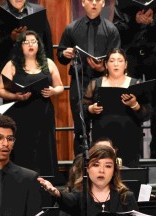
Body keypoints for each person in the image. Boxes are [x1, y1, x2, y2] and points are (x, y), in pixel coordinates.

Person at [58, 0, 121, 154]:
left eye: (97, 0)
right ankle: (80, 169)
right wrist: (65, 54)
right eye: (90, 0)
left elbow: (117, 58)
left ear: (103, 3)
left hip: (104, 83)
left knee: (105, 126)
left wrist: (103, 67)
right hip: (80, 82)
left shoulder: (111, 29)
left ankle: (104, 166)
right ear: (83, 3)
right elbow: (60, 55)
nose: (93, 3)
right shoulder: (72, 28)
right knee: (80, 130)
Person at [0, 30, 63, 176]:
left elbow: (60, 86)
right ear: (20, 46)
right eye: (26, 42)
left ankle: (48, 178)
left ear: (39, 45)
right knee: (23, 147)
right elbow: (0, 90)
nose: (30, 45)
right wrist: (15, 96)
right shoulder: (12, 64)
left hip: (43, 111)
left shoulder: (48, 62)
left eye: (33, 41)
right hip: (21, 112)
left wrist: (53, 91)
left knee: (44, 146)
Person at [113, 0, 156, 158]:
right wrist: (134, 21)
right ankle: (132, 143)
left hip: (154, 54)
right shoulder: (122, 2)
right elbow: (116, 26)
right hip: (132, 54)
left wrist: (152, 22)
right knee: (130, 97)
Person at [83, 48, 151, 167]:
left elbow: (147, 113)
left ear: (126, 64)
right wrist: (91, 109)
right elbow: (82, 108)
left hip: (129, 136)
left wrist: (134, 105)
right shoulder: (95, 83)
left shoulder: (136, 84)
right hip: (102, 136)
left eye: (120, 61)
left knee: (129, 174)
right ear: (105, 64)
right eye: (112, 61)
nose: (116, 64)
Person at [0, 0, 53, 81]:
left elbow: (47, 41)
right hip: (10, 69)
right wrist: (11, 38)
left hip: (37, 68)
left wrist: (48, 68)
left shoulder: (38, 10)